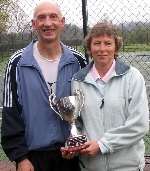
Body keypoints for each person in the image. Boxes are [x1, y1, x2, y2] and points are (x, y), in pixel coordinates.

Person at [1, 1, 86, 171]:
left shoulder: (78, 61)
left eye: (53, 17)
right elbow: (11, 113)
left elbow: (87, 108)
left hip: (72, 154)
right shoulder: (17, 62)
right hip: (33, 158)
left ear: (62, 22)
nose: (48, 23)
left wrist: (79, 145)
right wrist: (21, 157)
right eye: (41, 18)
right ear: (34, 24)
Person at [70, 21, 149, 171]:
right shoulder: (78, 80)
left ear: (116, 47)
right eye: (97, 43)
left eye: (108, 43)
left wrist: (102, 144)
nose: (102, 49)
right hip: (92, 166)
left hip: (127, 166)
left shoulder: (133, 77)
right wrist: (75, 144)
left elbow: (140, 124)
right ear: (89, 47)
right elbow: (77, 122)